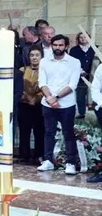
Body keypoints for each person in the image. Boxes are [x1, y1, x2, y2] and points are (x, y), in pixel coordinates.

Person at [38, 34, 81, 175]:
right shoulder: (44, 61)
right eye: (55, 45)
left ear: (66, 46)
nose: (57, 48)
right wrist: (49, 98)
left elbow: (72, 85)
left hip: (66, 104)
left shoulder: (74, 62)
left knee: (68, 133)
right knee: (49, 132)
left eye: (60, 45)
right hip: (47, 103)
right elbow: (42, 82)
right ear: (51, 46)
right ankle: (48, 161)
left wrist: (55, 97)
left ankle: (70, 163)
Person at [17, 47, 44, 166]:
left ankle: (39, 155)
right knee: (24, 131)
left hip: (39, 104)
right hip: (24, 103)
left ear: (41, 57)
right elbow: (18, 85)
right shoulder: (22, 70)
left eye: (37, 55)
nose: (34, 57)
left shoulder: (45, 70)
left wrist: (36, 98)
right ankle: (24, 156)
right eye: (32, 55)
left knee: (39, 131)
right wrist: (25, 97)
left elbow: (46, 85)